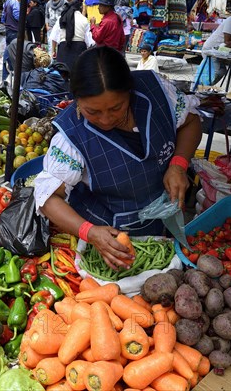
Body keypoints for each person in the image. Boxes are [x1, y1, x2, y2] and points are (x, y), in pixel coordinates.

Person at [33, 46, 202, 268]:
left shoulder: (158, 93)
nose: (105, 120)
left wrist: (178, 164)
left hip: (157, 225)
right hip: (107, 236)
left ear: (129, 91)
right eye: (92, 112)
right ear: (76, 100)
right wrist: (89, 232)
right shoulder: (70, 137)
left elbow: (192, 121)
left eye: (116, 108)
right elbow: (47, 198)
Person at [52, 0, 92, 69]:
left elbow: (54, 37)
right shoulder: (84, 20)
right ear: (80, 8)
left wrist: (54, 51)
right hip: (79, 50)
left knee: (63, 75)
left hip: (63, 49)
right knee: (78, 75)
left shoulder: (61, 19)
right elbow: (90, 42)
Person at [1, 0, 21, 82]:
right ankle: (10, 74)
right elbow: (17, 16)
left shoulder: (7, 2)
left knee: (8, 51)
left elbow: (3, 17)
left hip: (8, 29)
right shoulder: (15, 2)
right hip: (14, 30)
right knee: (12, 53)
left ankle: (6, 76)